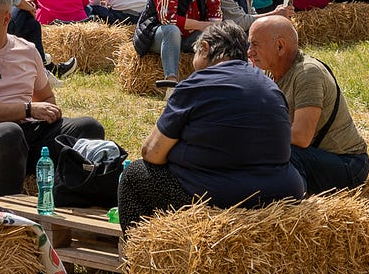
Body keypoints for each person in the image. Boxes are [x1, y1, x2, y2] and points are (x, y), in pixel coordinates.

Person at [116, 22, 303, 231]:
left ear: (204, 48)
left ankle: (138, 249)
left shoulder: (196, 84)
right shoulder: (270, 86)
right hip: (280, 194)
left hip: (216, 197)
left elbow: (151, 153)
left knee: (134, 175)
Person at [0, 0, 105, 196]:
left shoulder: (26, 49)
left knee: (88, 127)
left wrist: (49, 114)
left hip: (27, 134)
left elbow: (45, 97)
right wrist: (27, 109)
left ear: (6, 19)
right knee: (8, 133)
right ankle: (12, 207)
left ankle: (68, 197)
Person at [248, 14, 369, 194]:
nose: (249, 52)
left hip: (348, 164)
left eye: (255, 44)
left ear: (280, 46)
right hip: (315, 156)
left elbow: (301, 136)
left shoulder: (308, 73)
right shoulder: (271, 73)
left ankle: (290, 200)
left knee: (280, 153)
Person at [133, 0, 223, 89]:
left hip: (187, 37)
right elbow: (167, 19)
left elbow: (215, 17)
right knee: (172, 30)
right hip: (155, 35)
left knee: (215, 36)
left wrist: (212, 26)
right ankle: (171, 82)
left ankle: (213, 82)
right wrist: (201, 25)